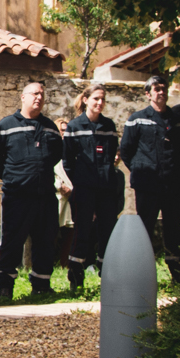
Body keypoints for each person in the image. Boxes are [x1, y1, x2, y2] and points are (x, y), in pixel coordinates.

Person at [0, 80, 64, 301]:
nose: (38, 97)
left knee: (45, 241)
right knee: (12, 241)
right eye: (34, 93)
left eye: (42, 94)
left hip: (45, 196)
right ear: (23, 97)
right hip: (17, 196)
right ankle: (5, 287)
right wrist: (13, 176)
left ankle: (41, 284)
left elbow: (57, 154)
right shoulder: (6, 125)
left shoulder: (50, 127)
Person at [119, 73, 180, 283]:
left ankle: (178, 274)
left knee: (174, 230)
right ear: (148, 94)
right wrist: (142, 170)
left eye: (163, 88)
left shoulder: (178, 121)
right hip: (147, 185)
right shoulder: (137, 119)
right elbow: (126, 151)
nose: (161, 92)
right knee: (145, 228)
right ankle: (143, 275)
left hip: (172, 184)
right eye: (156, 89)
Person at [61, 85, 121, 293]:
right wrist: (80, 182)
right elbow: (67, 161)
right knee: (82, 234)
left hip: (106, 190)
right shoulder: (75, 126)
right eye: (96, 98)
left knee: (107, 234)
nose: (100, 103)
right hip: (84, 191)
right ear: (86, 99)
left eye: (103, 99)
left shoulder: (109, 126)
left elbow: (112, 155)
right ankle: (76, 278)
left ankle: (109, 278)